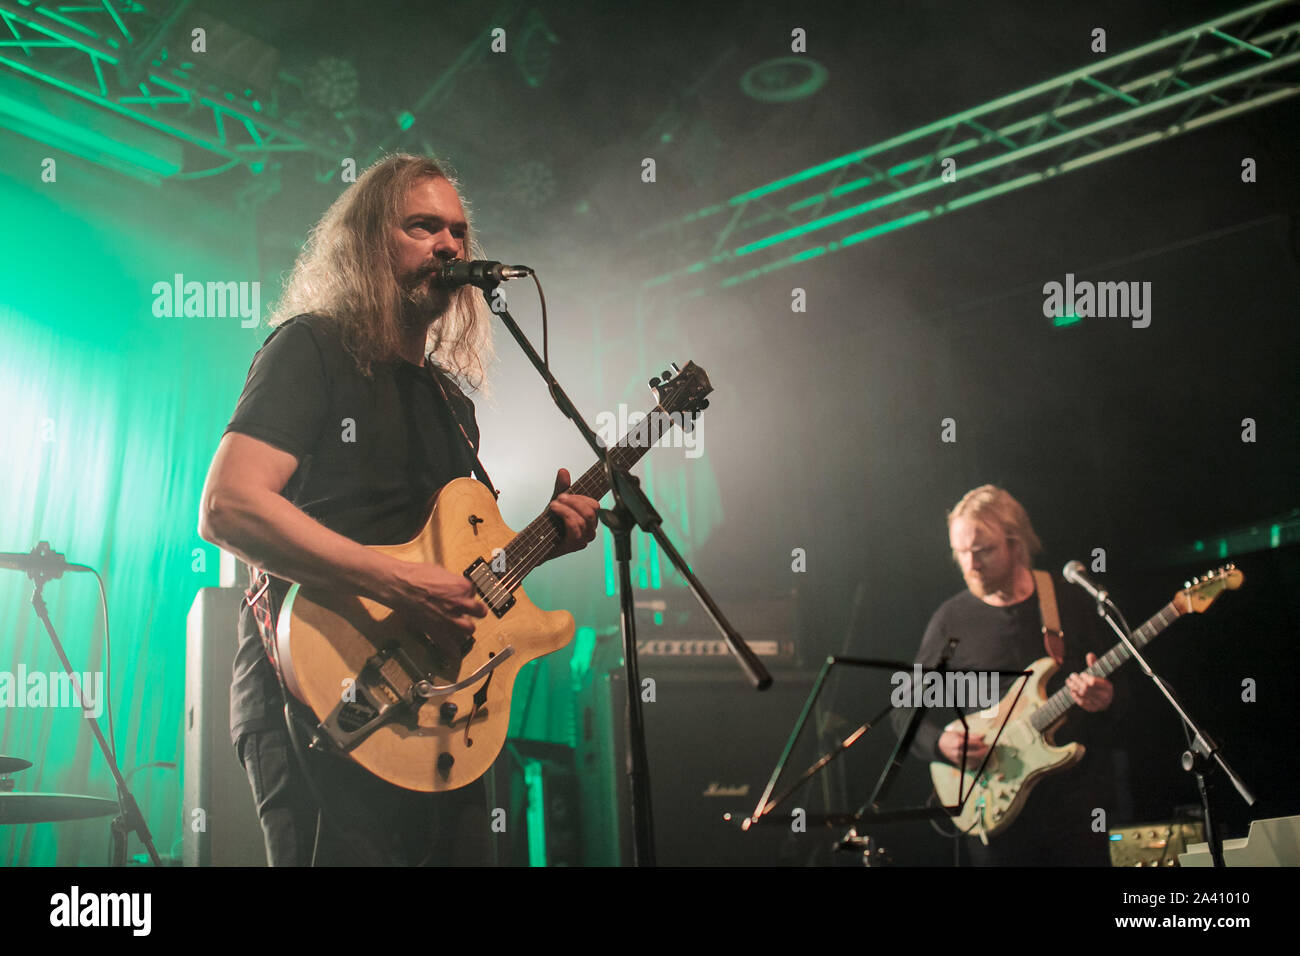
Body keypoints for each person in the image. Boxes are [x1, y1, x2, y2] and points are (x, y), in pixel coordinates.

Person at [198, 154, 600, 865]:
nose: (449, 245)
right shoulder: (313, 348)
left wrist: (546, 542)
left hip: (443, 712)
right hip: (319, 691)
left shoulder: (452, 405)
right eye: (423, 226)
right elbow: (230, 507)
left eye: (459, 231)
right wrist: (396, 583)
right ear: (367, 243)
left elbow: (452, 575)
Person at [893, 485, 1122, 866]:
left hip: (1074, 809)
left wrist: (1107, 699)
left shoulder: (1069, 601)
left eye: (983, 550)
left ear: (1016, 544)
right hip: (994, 815)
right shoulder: (951, 619)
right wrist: (940, 744)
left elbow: (1125, 703)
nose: (971, 564)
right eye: (961, 552)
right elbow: (904, 712)